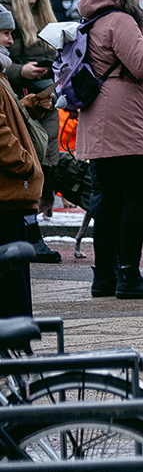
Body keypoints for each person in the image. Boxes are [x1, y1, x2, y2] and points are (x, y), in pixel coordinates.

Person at [74, 0, 143, 299]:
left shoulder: (94, 17)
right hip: (123, 121)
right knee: (135, 197)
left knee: (109, 199)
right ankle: (129, 276)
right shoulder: (121, 20)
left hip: (99, 118)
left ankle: (104, 276)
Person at [6, 0, 60, 258]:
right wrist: (21, 71)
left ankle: (32, 231)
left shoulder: (45, 16)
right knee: (25, 171)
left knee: (40, 169)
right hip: (17, 104)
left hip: (42, 103)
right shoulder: (6, 16)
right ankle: (31, 234)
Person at [0, 70, 41, 315]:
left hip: (9, 193)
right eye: (4, 33)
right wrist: (24, 163)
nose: (9, 40)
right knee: (11, 283)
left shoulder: (2, 76)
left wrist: (30, 106)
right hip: (6, 193)